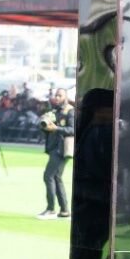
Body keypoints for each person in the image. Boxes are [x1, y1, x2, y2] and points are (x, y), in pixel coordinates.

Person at [37, 87, 74, 220]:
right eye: (56, 95)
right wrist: (44, 125)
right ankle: (64, 210)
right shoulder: (53, 111)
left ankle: (51, 209)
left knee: (48, 176)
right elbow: (46, 128)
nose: (57, 98)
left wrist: (56, 128)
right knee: (57, 178)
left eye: (60, 95)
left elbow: (72, 129)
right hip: (54, 147)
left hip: (62, 148)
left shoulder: (70, 111)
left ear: (65, 97)